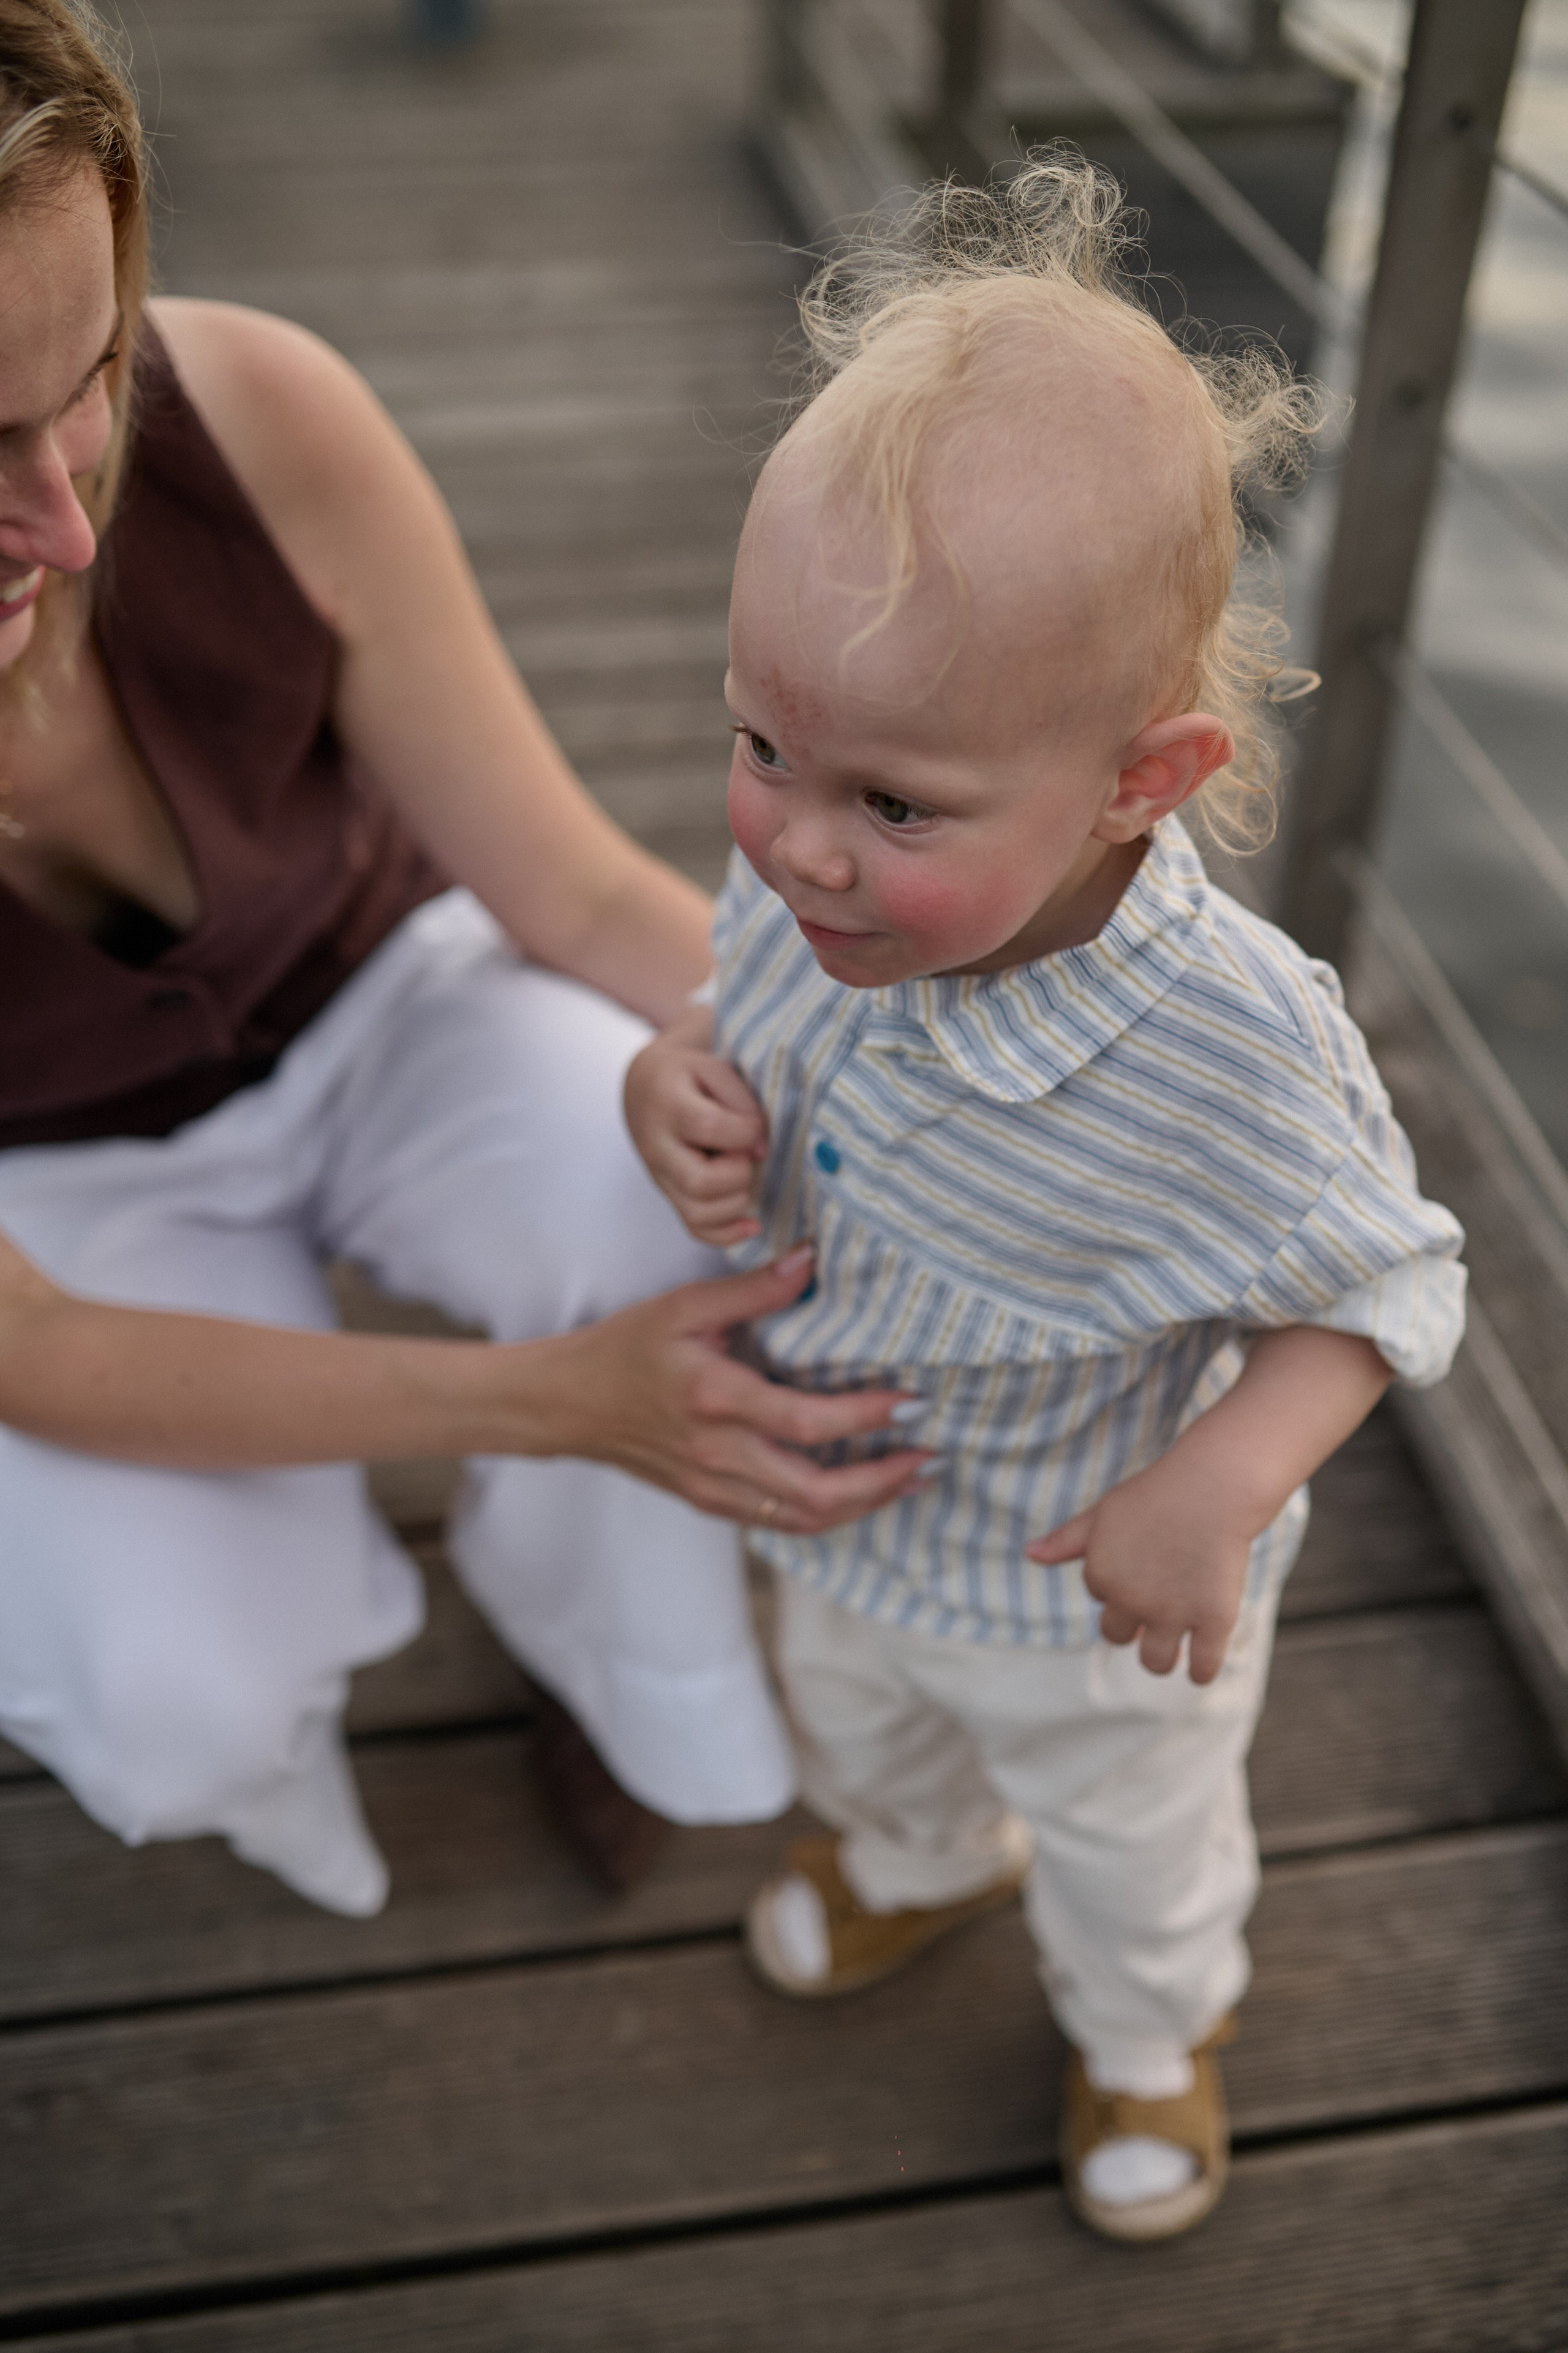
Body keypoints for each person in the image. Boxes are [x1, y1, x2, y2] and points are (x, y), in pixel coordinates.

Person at [0, 0, 933, 1919]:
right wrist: (553, 1399)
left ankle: (616, 1672)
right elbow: (38, 1348)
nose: (65, 516)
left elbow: (582, 898)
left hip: (378, 997)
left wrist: (908, 1093)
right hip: (54, 1184)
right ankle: (271, 1741)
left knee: (694, 1192)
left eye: (82, 376)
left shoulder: (261, 419)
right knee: (177, 1702)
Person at [624, 155, 1466, 2242]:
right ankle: (920, 1859)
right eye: (758, 744)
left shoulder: (1230, 1041)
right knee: (861, 1719)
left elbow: (1385, 1276)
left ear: (1139, 779)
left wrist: (1232, 1474)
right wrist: (673, 1089)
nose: (799, 849)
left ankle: (1150, 2019)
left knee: (1131, 1827)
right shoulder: (807, 886)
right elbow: (722, 1016)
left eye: (892, 802)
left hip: (1095, 1573)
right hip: (856, 1488)